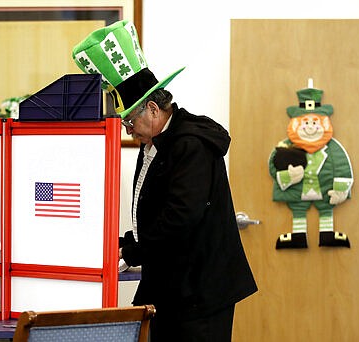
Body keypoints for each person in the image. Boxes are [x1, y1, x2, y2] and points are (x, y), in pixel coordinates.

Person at [73, 20, 257, 341]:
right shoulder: (159, 143)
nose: (128, 130)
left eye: (130, 120)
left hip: (199, 292)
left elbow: (180, 217)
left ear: (154, 109)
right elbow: (157, 208)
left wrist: (135, 251)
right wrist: (127, 242)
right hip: (175, 285)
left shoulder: (190, 144)